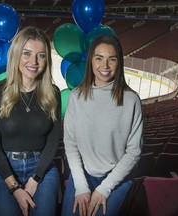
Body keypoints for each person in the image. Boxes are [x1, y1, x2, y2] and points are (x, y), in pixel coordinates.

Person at [0, 26, 61, 216]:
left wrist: (36, 179)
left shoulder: (54, 93)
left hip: (42, 169)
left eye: (41, 55)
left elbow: (52, 142)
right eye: (27, 53)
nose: (34, 61)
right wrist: (15, 187)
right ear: (16, 55)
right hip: (5, 170)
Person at [61, 35, 143, 216]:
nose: (104, 66)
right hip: (82, 175)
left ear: (119, 62)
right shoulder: (76, 97)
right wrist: (81, 186)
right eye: (99, 58)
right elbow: (71, 143)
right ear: (91, 60)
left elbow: (134, 151)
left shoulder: (131, 100)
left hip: (116, 179)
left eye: (111, 59)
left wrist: (105, 188)